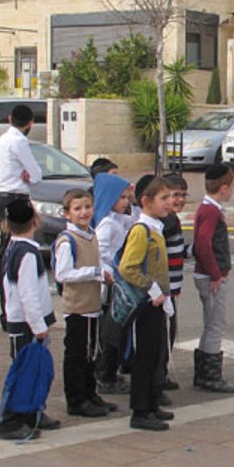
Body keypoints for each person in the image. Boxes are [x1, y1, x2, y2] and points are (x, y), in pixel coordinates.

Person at [0, 199, 60, 440]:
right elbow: (28, 295)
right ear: (36, 220)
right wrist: (39, 327)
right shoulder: (28, 253)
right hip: (26, 324)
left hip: (25, 321)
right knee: (24, 372)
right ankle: (11, 422)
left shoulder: (14, 246)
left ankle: (33, 412)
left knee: (33, 371)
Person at [53, 188, 119, 419]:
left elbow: (99, 261)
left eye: (87, 207)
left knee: (91, 353)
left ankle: (90, 394)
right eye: (77, 209)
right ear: (67, 213)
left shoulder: (91, 234)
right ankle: (76, 399)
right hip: (78, 307)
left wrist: (104, 274)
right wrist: (94, 272)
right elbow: (63, 274)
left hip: (92, 304)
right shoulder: (67, 240)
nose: (84, 212)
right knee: (77, 355)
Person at [119, 175, 177, 431]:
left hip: (158, 302)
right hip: (145, 304)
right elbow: (128, 268)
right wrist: (153, 290)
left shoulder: (156, 227)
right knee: (144, 357)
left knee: (155, 354)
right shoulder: (142, 231)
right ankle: (140, 411)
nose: (169, 203)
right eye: (163, 198)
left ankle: (152, 404)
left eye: (170, 198)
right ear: (146, 201)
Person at [192, 163, 234, 393]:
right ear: (223, 188)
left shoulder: (206, 207)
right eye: (232, 186)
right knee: (215, 325)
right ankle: (210, 376)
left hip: (206, 273)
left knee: (210, 324)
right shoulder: (211, 211)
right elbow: (203, 244)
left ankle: (203, 371)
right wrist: (215, 274)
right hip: (211, 276)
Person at [92, 172, 133, 396]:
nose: (126, 202)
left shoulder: (116, 219)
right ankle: (105, 374)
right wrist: (111, 273)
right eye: (122, 198)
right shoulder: (107, 223)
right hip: (111, 284)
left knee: (116, 331)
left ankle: (109, 370)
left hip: (116, 281)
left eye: (128, 197)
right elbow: (101, 254)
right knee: (111, 332)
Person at [0, 104, 43, 255]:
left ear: (10, 119)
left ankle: (4, 278)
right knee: (21, 247)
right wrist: (29, 176)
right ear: (30, 123)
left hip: (1, 197)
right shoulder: (18, 141)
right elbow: (36, 174)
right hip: (17, 199)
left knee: (5, 249)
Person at [161, 173, 188, 392]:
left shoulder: (172, 220)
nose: (180, 200)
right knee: (163, 335)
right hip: (163, 289)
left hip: (171, 288)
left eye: (183, 195)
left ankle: (160, 375)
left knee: (168, 332)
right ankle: (157, 378)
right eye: (174, 195)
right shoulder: (167, 221)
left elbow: (176, 251)